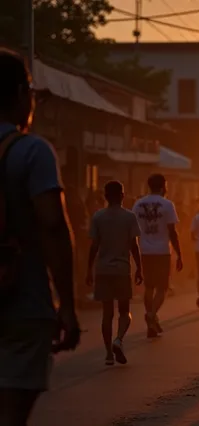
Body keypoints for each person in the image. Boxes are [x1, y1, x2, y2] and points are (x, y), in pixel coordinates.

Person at [0, 49, 81, 425]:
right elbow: (52, 226)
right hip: (21, 302)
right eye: (31, 91)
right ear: (19, 94)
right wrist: (67, 302)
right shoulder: (31, 151)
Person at [86, 181, 143, 365]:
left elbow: (94, 246)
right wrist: (139, 268)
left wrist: (88, 269)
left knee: (107, 313)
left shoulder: (98, 217)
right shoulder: (129, 217)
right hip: (122, 269)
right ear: (122, 195)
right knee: (124, 310)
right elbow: (134, 246)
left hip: (103, 269)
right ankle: (118, 339)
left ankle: (109, 354)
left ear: (105, 196)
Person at [132, 174, 183, 338]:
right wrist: (179, 253)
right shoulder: (167, 205)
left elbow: (134, 229)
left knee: (149, 287)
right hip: (162, 251)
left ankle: (151, 321)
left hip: (145, 250)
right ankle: (152, 314)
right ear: (162, 187)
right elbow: (172, 232)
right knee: (162, 288)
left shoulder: (138, 204)